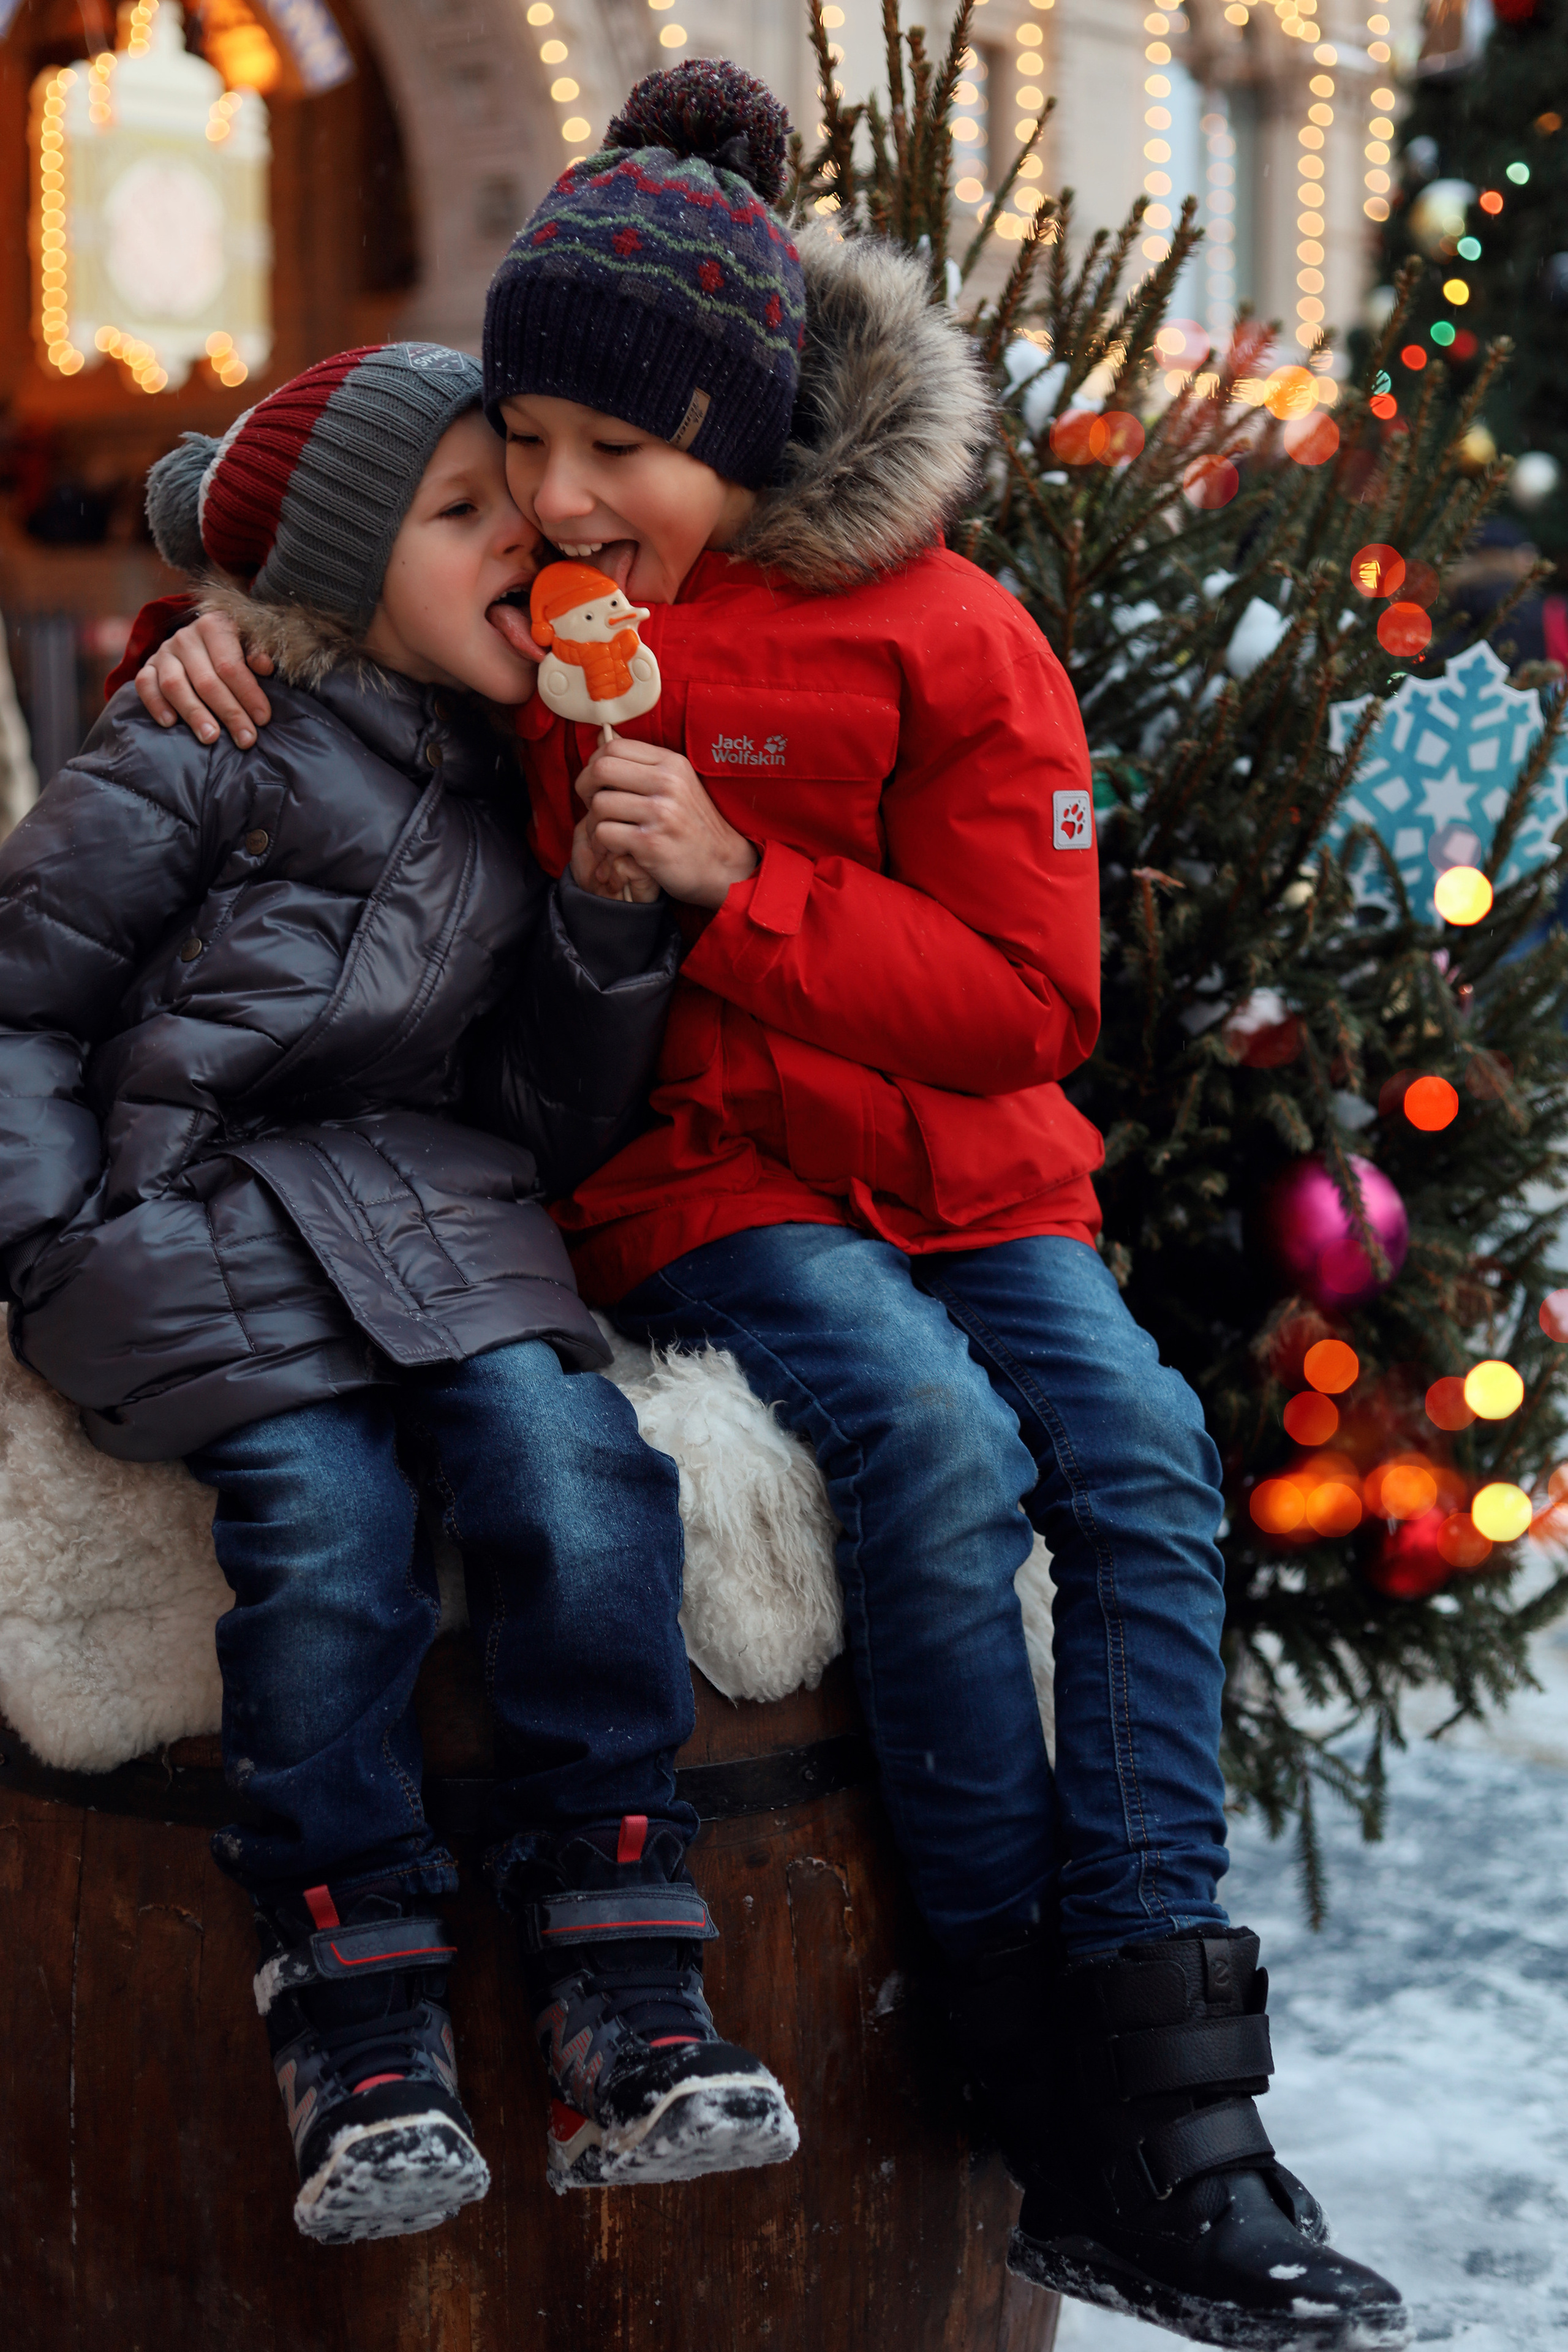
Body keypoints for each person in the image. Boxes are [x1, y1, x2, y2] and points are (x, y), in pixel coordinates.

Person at [129, 64, 1408, 2347]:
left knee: (1139, 1459)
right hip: (711, 1182)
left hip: (976, 1178)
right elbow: (317, 523)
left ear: (740, 435)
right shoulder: (549, 609)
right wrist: (203, 619)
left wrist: (743, 880)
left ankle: (1174, 2076)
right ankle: (1020, 2056)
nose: (555, 495)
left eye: (614, 451)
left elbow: (1032, 1002)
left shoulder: (954, 635)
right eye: (530, 440)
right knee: (928, 1441)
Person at [1, 341, 797, 2250]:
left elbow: (539, 1112)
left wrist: (606, 922)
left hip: (445, 1221)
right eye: (463, 515)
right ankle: (353, 2018)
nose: (525, 538)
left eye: (514, 508)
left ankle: (624, 1976)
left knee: (579, 1477)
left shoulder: (524, 772)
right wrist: (54, 1247)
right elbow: (19, 1004)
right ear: (350, 575)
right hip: (204, 1219)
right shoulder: (209, 735)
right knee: (328, 1533)